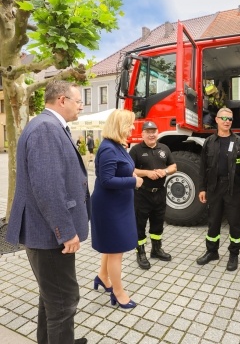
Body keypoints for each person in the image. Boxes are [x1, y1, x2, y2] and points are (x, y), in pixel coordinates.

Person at [6, 81, 89, 344]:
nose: (82, 105)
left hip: (47, 233)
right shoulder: (45, 129)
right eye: (78, 101)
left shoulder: (49, 126)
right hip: (50, 235)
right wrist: (66, 232)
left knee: (52, 298)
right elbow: (49, 188)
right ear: (62, 100)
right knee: (64, 301)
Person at [91, 109, 143, 309]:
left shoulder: (117, 146)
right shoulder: (108, 149)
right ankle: (118, 292)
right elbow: (106, 180)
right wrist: (134, 181)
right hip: (109, 207)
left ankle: (103, 277)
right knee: (116, 250)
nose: (132, 127)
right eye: (129, 124)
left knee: (112, 247)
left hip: (119, 204)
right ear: (119, 125)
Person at [197, 107, 240, 271]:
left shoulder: (239, 142)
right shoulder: (209, 142)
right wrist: (202, 188)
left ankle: (234, 254)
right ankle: (212, 252)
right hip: (214, 188)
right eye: (223, 118)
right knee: (213, 222)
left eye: (229, 119)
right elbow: (202, 168)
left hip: (233, 189)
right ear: (217, 120)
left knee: (235, 223)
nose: (227, 121)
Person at [129, 121, 177, 270]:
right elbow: (130, 170)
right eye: (148, 132)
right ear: (142, 134)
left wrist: (165, 171)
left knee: (158, 223)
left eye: (154, 131)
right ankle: (141, 252)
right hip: (142, 193)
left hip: (160, 193)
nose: (151, 134)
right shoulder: (136, 150)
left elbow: (174, 166)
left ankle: (156, 250)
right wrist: (147, 173)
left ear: (157, 132)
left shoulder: (164, 148)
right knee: (139, 225)